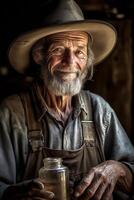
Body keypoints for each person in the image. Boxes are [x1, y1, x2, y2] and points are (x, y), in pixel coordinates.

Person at [0, 0, 134, 199]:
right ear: (39, 56)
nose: (70, 62)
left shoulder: (100, 110)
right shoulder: (12, 112)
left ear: (87, 61)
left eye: (79, 51)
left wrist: (118, 169)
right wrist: (13, 195)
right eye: (58, 50)